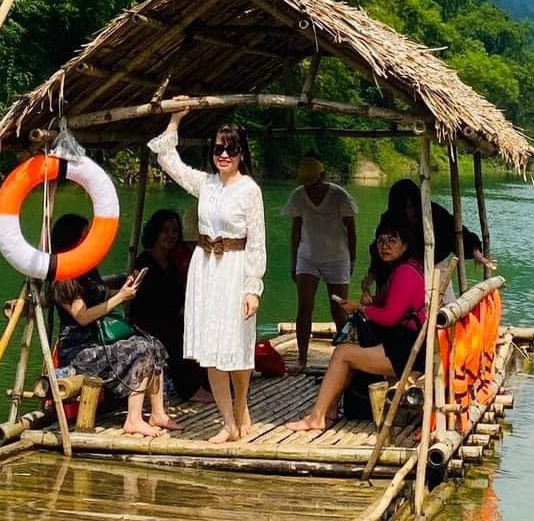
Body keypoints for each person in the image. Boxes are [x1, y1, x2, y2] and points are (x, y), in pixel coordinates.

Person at [149, 113, 266, 443]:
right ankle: (228, 422)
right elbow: (169, 161)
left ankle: (242, 408)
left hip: (235, 268)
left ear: (241, 152)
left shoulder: (249, 190)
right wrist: (175, 122)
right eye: (218, 150)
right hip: (206, 269)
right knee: (212, 348)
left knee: (238, 345)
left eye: (230, 149)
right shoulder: (206, 184)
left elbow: (257, 241)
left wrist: (252, 287)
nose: (223, 155)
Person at [282, 216, 428, 433]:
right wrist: (372, 303)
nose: (385, 246)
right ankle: (328, 411)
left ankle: (317, 417)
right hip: (403, 343)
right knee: (348, 353)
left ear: (405, 245)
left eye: (392, 241)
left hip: (406, 349)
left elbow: (390, 317)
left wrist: (361, 309)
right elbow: (393, 304)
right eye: (381, 241)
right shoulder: (406, 268)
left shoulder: (405, 272)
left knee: (343, 353)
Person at [48, 214, 171, 437]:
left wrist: (126, 288)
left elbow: (101, 295)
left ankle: (158, 413)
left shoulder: (87, 269)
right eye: (84, 236)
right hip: (79, 350)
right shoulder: (63, 276)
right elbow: (82, 316)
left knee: (152, 344)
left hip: (98, 340)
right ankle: (133, 419)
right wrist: (120, 299)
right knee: (140, 350)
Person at [283, 156, 357, 373]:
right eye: (306, 183)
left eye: (313, 182)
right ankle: (302, 359)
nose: (310, 187)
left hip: (336, 258)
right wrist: (294, 261)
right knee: (304, 307)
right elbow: (296, 230)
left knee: (339, 309)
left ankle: (346, 357)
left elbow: (351, 231)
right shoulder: (298, 196)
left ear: (322, 177)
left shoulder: (339, 196)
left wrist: (351, 260)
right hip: (308, 257)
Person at [129, 208, 204, 401]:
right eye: (165, 230)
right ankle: (190, 390)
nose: (170, 236)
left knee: (194, 329)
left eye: (174, 231)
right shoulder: (145, 261)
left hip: (169, 319)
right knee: (177, 335)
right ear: (155, 232)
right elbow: (144, 297)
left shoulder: (170, 263)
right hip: (149, 322)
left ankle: (203, 384)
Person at [387, 177, 490, 273]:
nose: (409, 212)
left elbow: (457, 232)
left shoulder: (434, 212)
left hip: (435, 267)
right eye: (405, 208)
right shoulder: (391, 218)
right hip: (400, 268)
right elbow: (380, 245)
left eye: (411, 206)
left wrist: (475, 252)